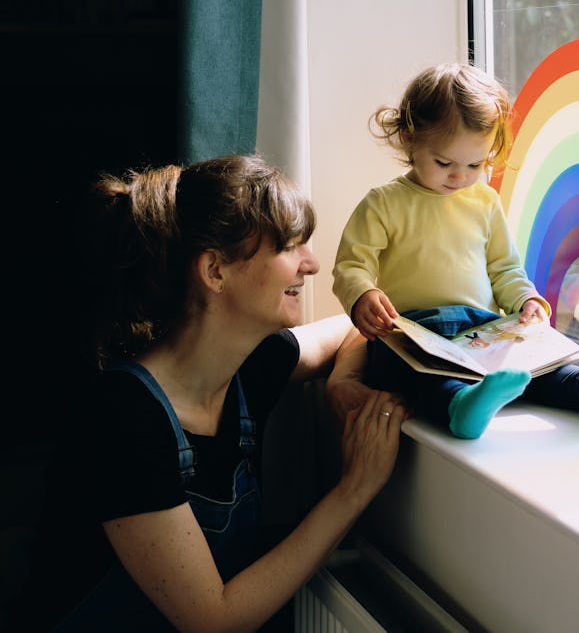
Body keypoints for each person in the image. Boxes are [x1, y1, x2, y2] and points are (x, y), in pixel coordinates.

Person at [11, 154, 403, 633]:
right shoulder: (122, 417)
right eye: (288, 246)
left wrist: (342, 382)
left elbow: (353, 329)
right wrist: (355, 489)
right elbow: (214, 619)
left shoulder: (251, 365)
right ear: (215, 271)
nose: (313, 263)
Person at [332, 63, 579, 440]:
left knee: (529, 366)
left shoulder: (485, 201)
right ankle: (459, 406)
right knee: (418, 374)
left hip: (480, 329)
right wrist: (362, 293)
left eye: (475, 164)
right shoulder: (384, 203)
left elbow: (504, 268)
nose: (459, 176)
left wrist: (524, 300)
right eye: (443, 163)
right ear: (411, 139)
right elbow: (352, 264)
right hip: (411, 334)